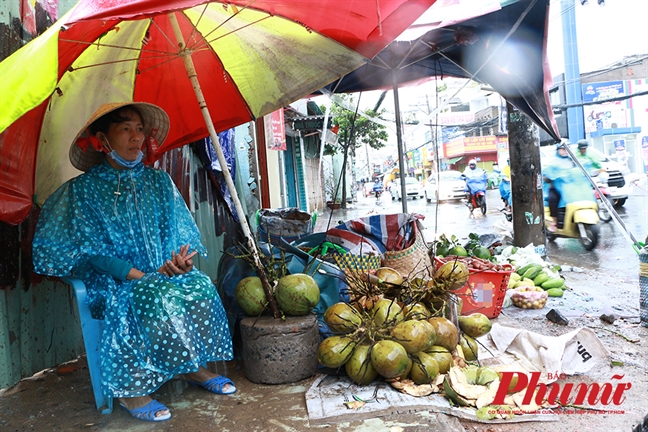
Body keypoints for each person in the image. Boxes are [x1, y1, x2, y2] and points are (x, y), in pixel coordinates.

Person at [32, 103, 235, 422]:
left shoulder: (159, 182)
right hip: (112, 282)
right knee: (150, 293)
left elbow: (175, 237)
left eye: (140, 129)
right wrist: (140, 276)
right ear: (103, 139)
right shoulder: (83, 191)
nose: (136, 137)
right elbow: (92, 251)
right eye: (125, 129)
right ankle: (131, 392)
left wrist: (178, 263)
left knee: (198, 286)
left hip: (158, 274)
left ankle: (189, 367)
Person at [543, 142, 595, 232]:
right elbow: (546, 174)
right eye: (562, 149)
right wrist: (550, 178)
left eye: (566, 149)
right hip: (556, 188)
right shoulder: (553, 162)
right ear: (558, 150)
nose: (564, 151)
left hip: (571, 188)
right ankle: (554, 222)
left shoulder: (573, 161)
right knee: (553, 199)